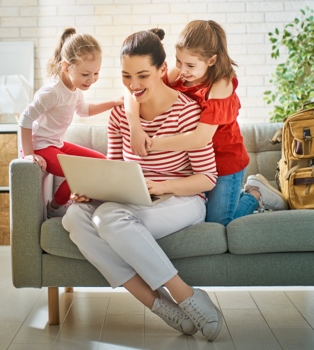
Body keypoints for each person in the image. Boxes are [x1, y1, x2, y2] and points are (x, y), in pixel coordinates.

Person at [62, 29, 224, 341]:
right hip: (132, 201)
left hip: (181, 199)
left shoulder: (187, 112)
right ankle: (158, 304)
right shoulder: (121, 116)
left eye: (142, 76)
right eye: (125, 76)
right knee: (74, 217)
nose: (134, 86)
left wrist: (160, 186)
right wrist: (92, 189)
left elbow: (206, 178)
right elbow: (113, 168)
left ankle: (186, 295)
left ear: (163, 70)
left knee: (109, 217)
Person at [124, 20, 288, 226]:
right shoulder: (181, 73)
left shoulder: (221, 84)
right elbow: (133, 90)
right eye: (179, 61)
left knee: (220, 222)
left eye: (190, 65)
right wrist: (135, 129)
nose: (183, 70)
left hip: (224, 162)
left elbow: (200, 139)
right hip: (196, 163)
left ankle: (255, 193)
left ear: (211, 60)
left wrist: (151, 144)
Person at [19, 28, 123, 218]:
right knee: (80, 171)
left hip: (56, 143)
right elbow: (25, 119)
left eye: (96, 73)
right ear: (66, 67)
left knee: (101, 162)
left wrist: (113, 102)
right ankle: (55, 208)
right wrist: (28, 154)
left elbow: (83, 110)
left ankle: (83, 198)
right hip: (40, 146)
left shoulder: (75, 88)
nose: (91, 80)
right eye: (86, 74)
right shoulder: (52, 92)